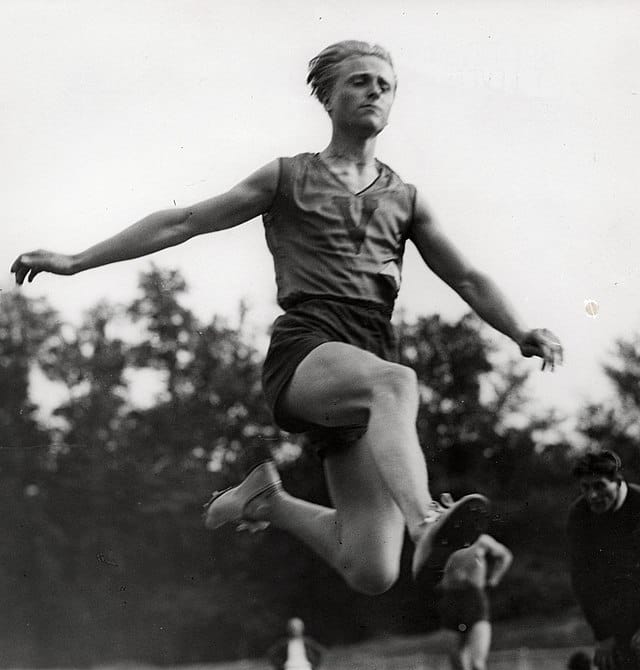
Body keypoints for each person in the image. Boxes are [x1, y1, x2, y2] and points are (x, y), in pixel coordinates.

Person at [11, 40, 563, 598]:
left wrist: (520, 331)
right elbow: (183, 222)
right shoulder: (287, 176)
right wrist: (76, 261)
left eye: (385, 85)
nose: (375, 90)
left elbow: (466, 277)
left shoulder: (406, 198)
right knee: (397, 384)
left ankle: (267, 502)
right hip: (309, 344)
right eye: (360, 81)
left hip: (368, 355)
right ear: (328, 97)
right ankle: (426, 520)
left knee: (372, 568)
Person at [568, 449, 640, 670]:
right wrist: (604, 635)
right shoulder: (579, 516)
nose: (592, 495)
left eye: (599, 486)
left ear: (617, 480)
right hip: (614, 606)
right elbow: (583, 581)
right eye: (585, 488)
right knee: (614, 668)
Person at [435, 533, 513, 670]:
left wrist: (494, 578)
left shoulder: (482, 541)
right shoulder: (447, 547)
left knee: (478, 665)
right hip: (452, 605)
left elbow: (505, 555)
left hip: (475, 604)